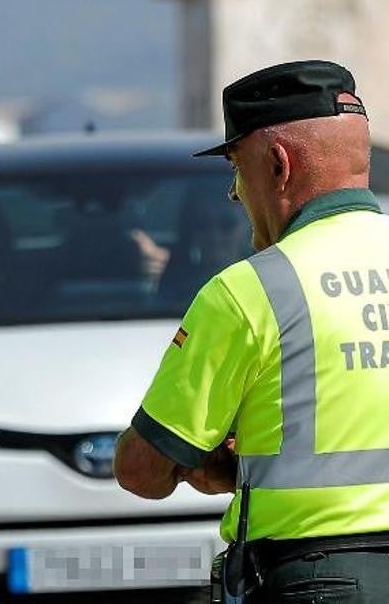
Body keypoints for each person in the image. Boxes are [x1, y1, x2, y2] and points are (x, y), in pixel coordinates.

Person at [112, 60, 389, 602]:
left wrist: (217, 464)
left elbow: (142, 471)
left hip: (319, 580)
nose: (236, 193)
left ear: (278, 165)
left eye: (237, 168)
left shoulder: (250, 291)